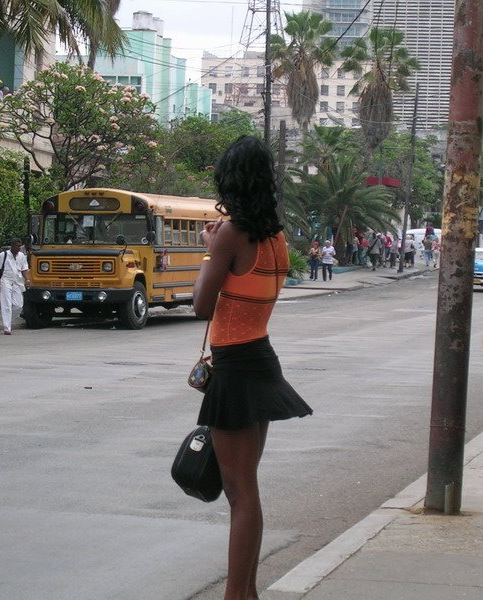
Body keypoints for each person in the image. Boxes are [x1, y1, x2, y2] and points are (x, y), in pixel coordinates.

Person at [193, 136, 312, 600]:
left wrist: (209, 251)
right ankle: (247, 591)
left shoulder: (231, 233)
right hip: (259, 357)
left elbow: (203, 305)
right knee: (247, 488)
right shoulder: (276, 238)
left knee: (239, 492)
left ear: (230, 180)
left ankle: (235, 596)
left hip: (236, 365)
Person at [0, 238, 30, 335]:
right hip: (6, 280)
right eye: (17, 246)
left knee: (19, 305)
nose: (19, 248)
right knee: (7, 304)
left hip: (17, 281)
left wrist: (27, 279)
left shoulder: (22, 256)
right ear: (12, 246)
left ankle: (8, 320)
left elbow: (24, 269)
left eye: (20, 246)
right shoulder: (3, 255)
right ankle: (7, 328)